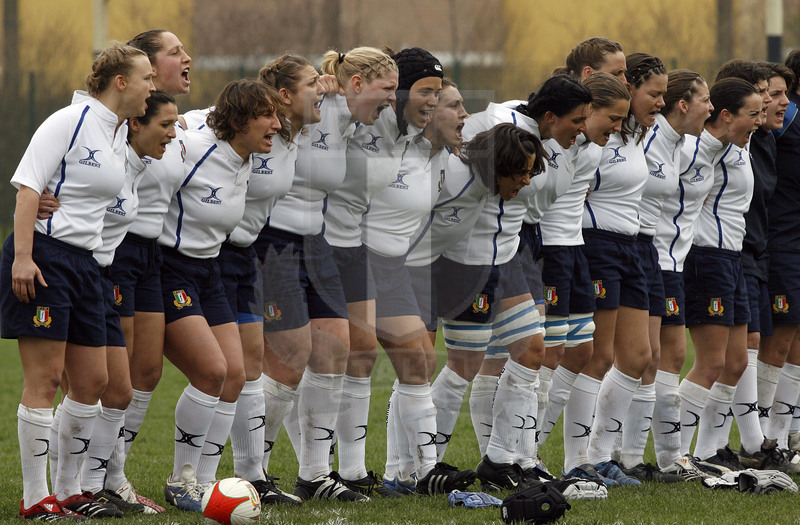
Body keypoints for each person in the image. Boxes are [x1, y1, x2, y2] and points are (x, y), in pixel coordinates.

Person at [1, 42, 154, 520]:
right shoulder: (69, 121)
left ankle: (69, 491)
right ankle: (35, 497)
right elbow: (28, 187)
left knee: (94, 380)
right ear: (121, 82)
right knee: (46, 379)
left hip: (89, 268)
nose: (154, 86)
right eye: (146, 77)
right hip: (46, 259)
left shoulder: (117, 133)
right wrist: (23, 258)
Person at [423, 74, 590, 490]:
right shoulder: (494, 122)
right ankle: (423, 464)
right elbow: (454, 160)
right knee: (461, 366)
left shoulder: (555, 141)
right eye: (578, 120)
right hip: (468, 258)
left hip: (511, 253)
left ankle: (502, 460)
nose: (583, 128)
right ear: (550, 115)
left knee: (532, 349)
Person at [256, 46, 398, 502]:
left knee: (336, 349)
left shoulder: (345, 115)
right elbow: (217, 119)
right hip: (273, 243)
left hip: (318, 244)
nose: (393, 100)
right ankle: (253, 472)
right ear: (355, 84)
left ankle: (315, 475)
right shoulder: (310, 105)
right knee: (287, 359)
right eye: (387, 89)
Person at [158, 79, 282, 512]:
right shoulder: (191, 147)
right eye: (267, 116)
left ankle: (206, 484)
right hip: (170, 269)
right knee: (210, 370)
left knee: (234, 375)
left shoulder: (245, 156)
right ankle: (181, 478)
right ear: (242, 119)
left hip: (210, 269)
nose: (277, 124)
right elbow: (137, 159)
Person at [88, 30, 193, 512]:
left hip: (153, 256)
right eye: (172, 55)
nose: (184, 59)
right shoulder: (109, 126)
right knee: (110, 375)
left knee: (147, 370)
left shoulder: (184, 124)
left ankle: (116, 473)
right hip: (115, 251)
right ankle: (93, 478)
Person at [76, 91, 179, 516]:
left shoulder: (139, 159)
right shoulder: (101, 144)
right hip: (94, 269)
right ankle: (83, 485)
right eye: (164, 126)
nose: (173, 134)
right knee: (93, 384)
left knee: (129, 380)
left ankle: (103, 482)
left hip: (130, 261)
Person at [616, 70, 713, 481]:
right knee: (640, 359)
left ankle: (661, 459)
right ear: (683, 104)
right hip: (646, 257)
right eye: (704, 100)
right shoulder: (651, 138)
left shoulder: (680, 144)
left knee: (664, 357)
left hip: (669, 261)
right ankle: (626, 455)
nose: (710, 108)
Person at [534, 73, 630, 474]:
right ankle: (524, 453)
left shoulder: (590, 150)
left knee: (583, 351)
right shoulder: (544, 140)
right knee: (547, 355)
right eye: (611, 117)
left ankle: (548, 451)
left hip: (575, 252)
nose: (617, 128)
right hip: (548, 251)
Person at [578, 53, 667, 487]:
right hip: (598, 248)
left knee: (638, 357)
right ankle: (581, 460)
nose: (661, 103)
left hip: (633, 247)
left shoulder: (633, 134)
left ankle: (603, 456)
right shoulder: (593, 134)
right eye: (654, 94)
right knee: (600, 357)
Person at [676, 77, 761, 473]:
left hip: (732, 259)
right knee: (709, 362)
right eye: (753, 113)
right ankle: (676, 454)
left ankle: (709, 451)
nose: (759, 121)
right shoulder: (704, 148)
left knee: (737, 361)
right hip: (706, 258)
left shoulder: (740, 147)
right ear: (726, 115)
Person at [765, 52, 800, 452]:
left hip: (792, 243)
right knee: (777, 344)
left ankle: (786, 435)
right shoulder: (786, 122)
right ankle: (768, 441)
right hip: (781, 244)